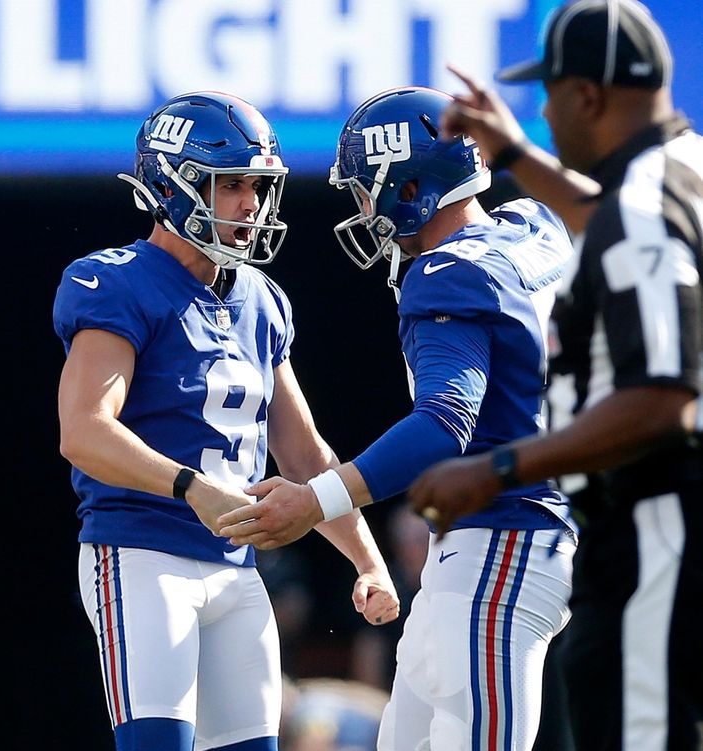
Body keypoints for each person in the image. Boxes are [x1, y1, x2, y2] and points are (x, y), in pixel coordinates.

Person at [218, 86, 577, 750]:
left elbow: (445, 421)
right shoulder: (534, 224)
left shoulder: (444, 272)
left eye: (366, 189)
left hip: (505, 540)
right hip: (485, 546)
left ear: (408, 184)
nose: (363, 208)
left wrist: (316, 499)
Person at [53, 91, 400, 751]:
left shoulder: (262, 300)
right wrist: (193, 487)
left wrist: (367, 559)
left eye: (257, 185)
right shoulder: (117, 280)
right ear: (171, 182)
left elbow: (303, 455)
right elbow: (84, 429)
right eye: (229, 183)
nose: (250, 203)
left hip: (236, 568)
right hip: (141, 553)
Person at [408, 2, 703, 749]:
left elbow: (663, 400)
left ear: (587, 97)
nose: (541, 109)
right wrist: (514, 154)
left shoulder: (642, 203)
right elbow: (612, 214)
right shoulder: (683, 168)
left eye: (549, 92)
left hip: (656, 529)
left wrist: (498, 465)